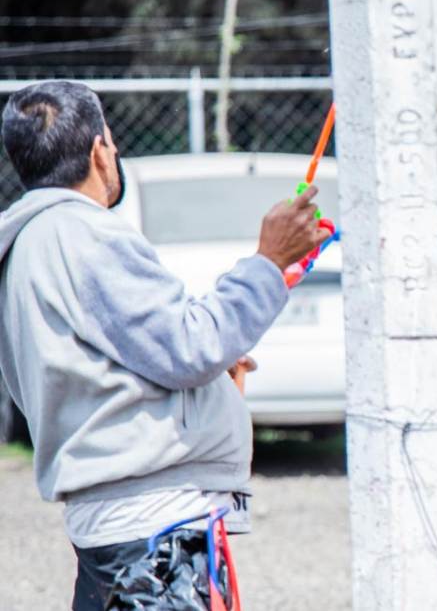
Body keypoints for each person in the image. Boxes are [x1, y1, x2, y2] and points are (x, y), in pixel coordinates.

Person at [0, 81, 330, 610]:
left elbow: (100, 374)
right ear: (98, 150)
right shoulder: (86, 234)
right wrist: (269, 261)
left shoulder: (26, 245)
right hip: (153, 541)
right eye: (111, 140)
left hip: (113, 537)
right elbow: (193, 347)